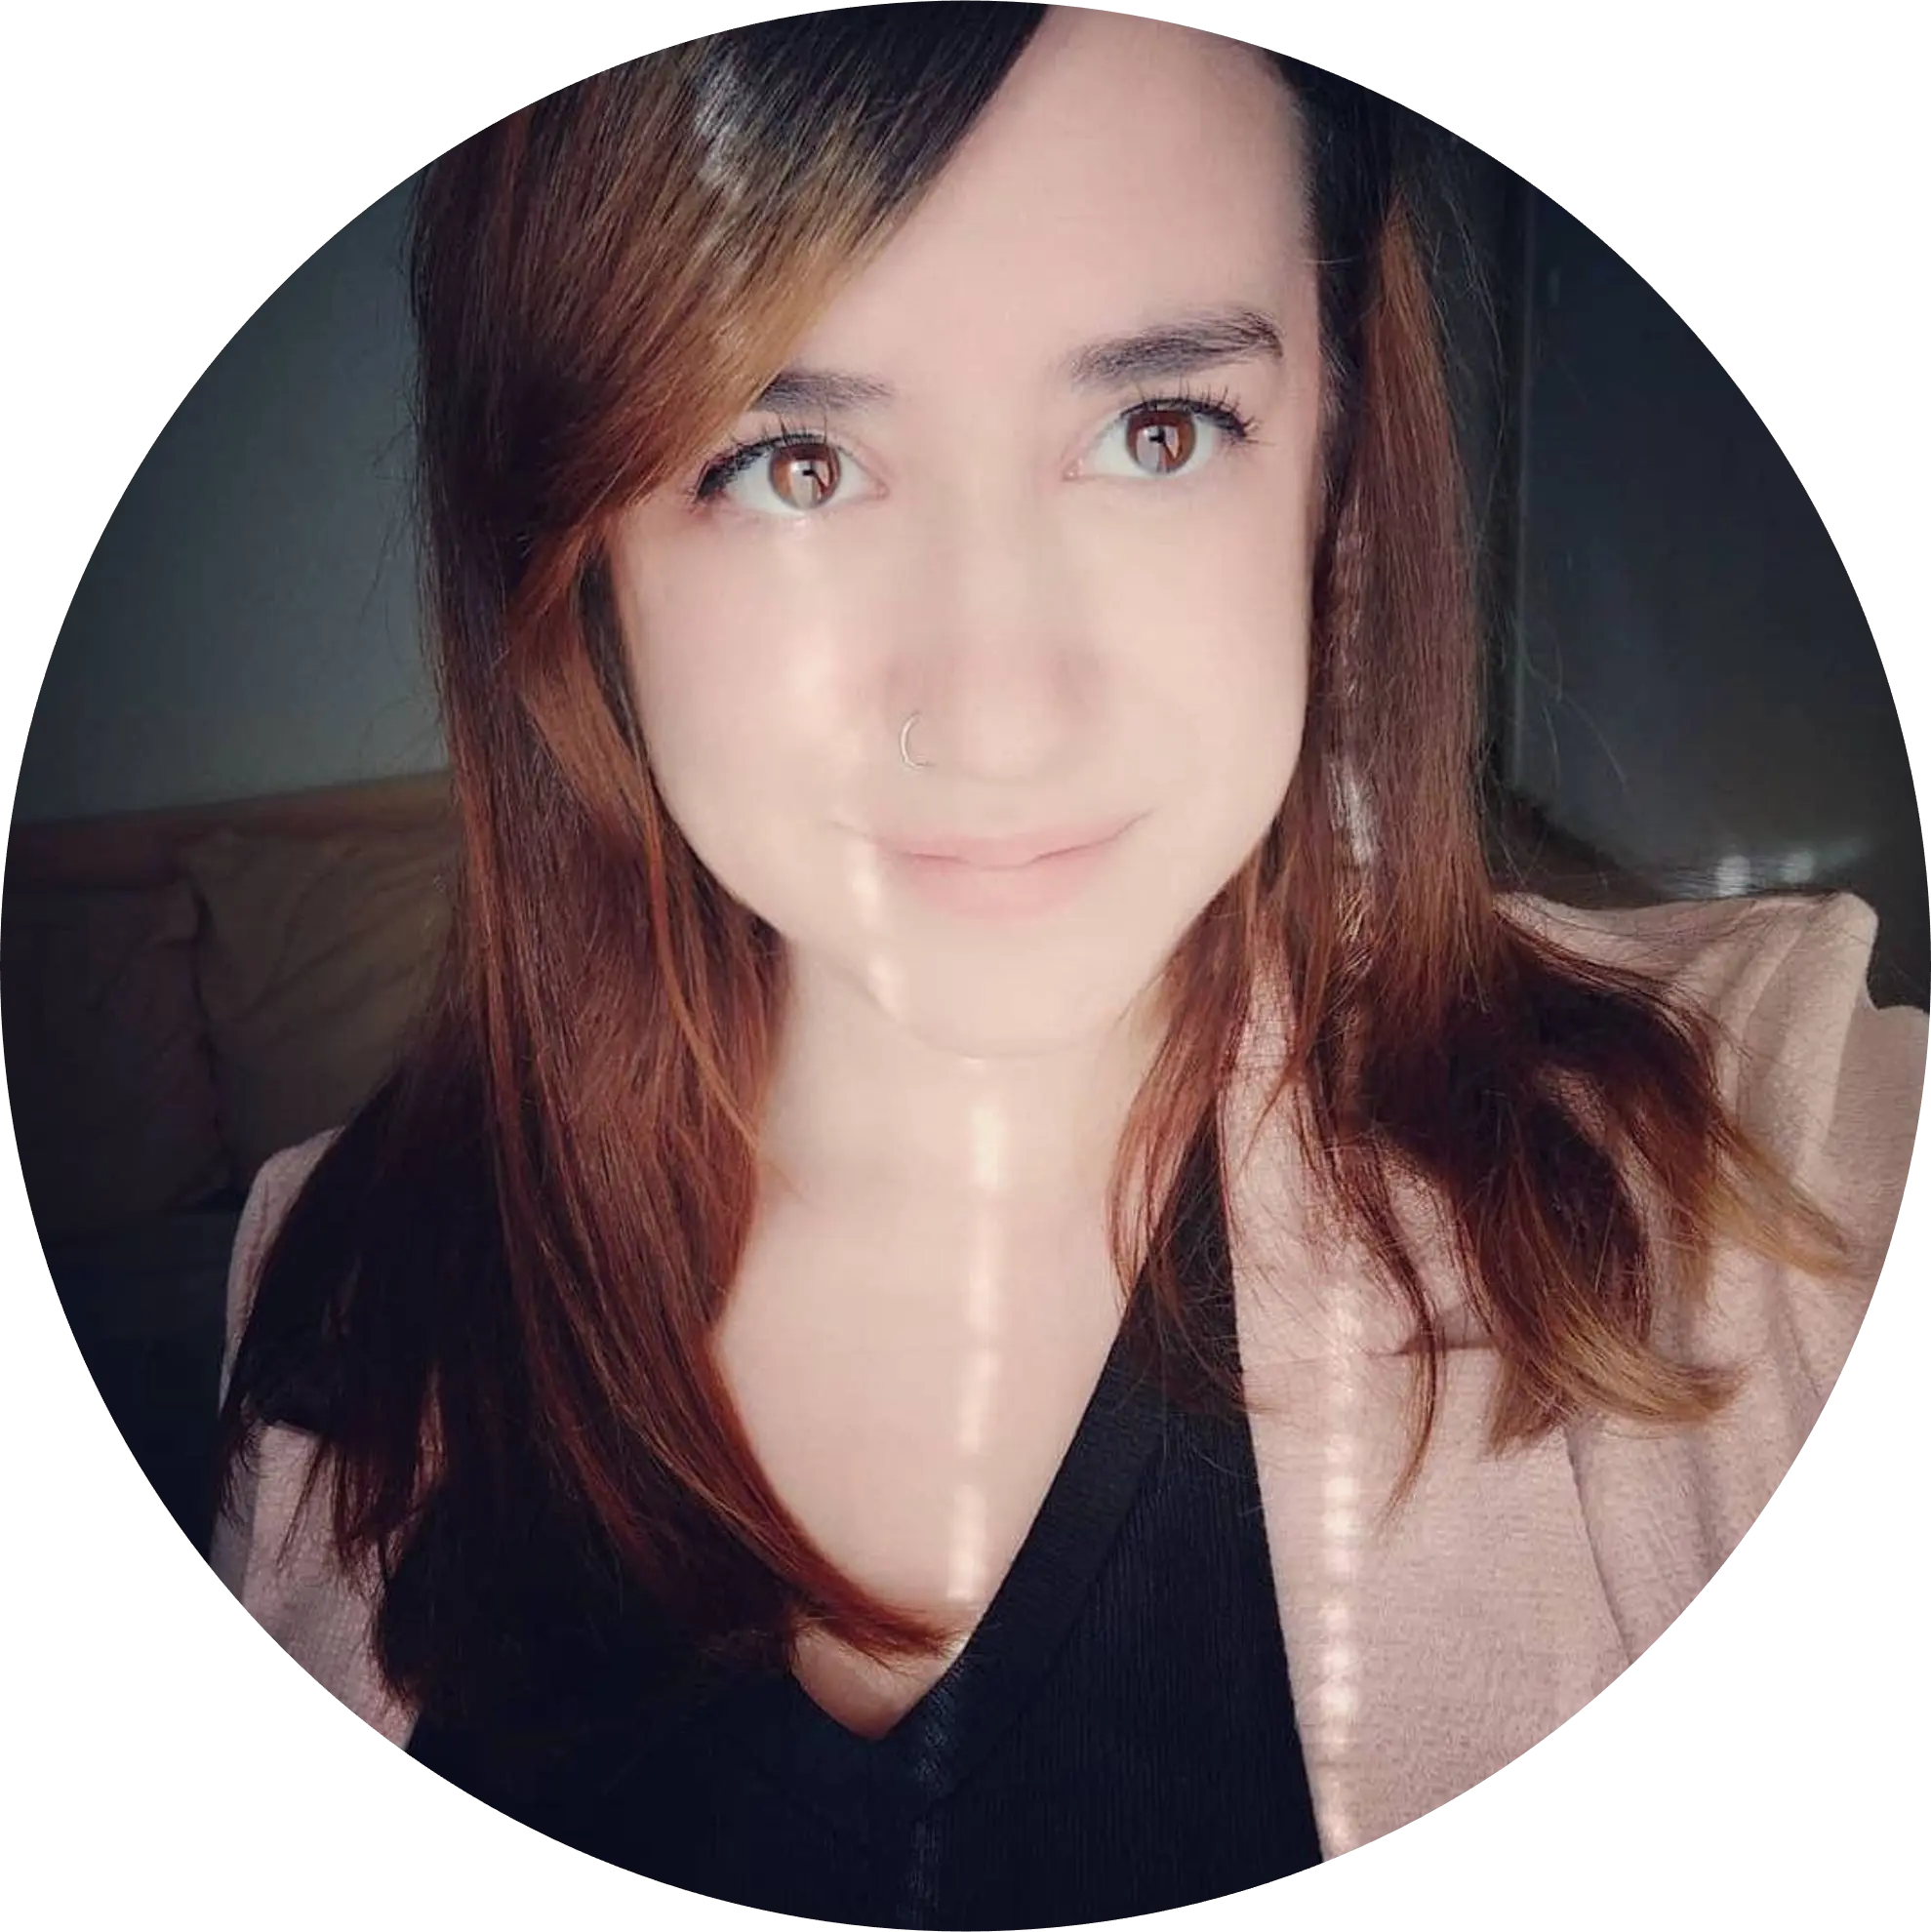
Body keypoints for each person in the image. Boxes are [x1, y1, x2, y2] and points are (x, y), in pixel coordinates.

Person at [210, 4, 1926, 1919]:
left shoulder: (1748, 1192)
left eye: (1153, 432)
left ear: (1336, 470)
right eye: (789, 459)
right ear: (577, 540)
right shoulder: (346, 1281)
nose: (997, 717)